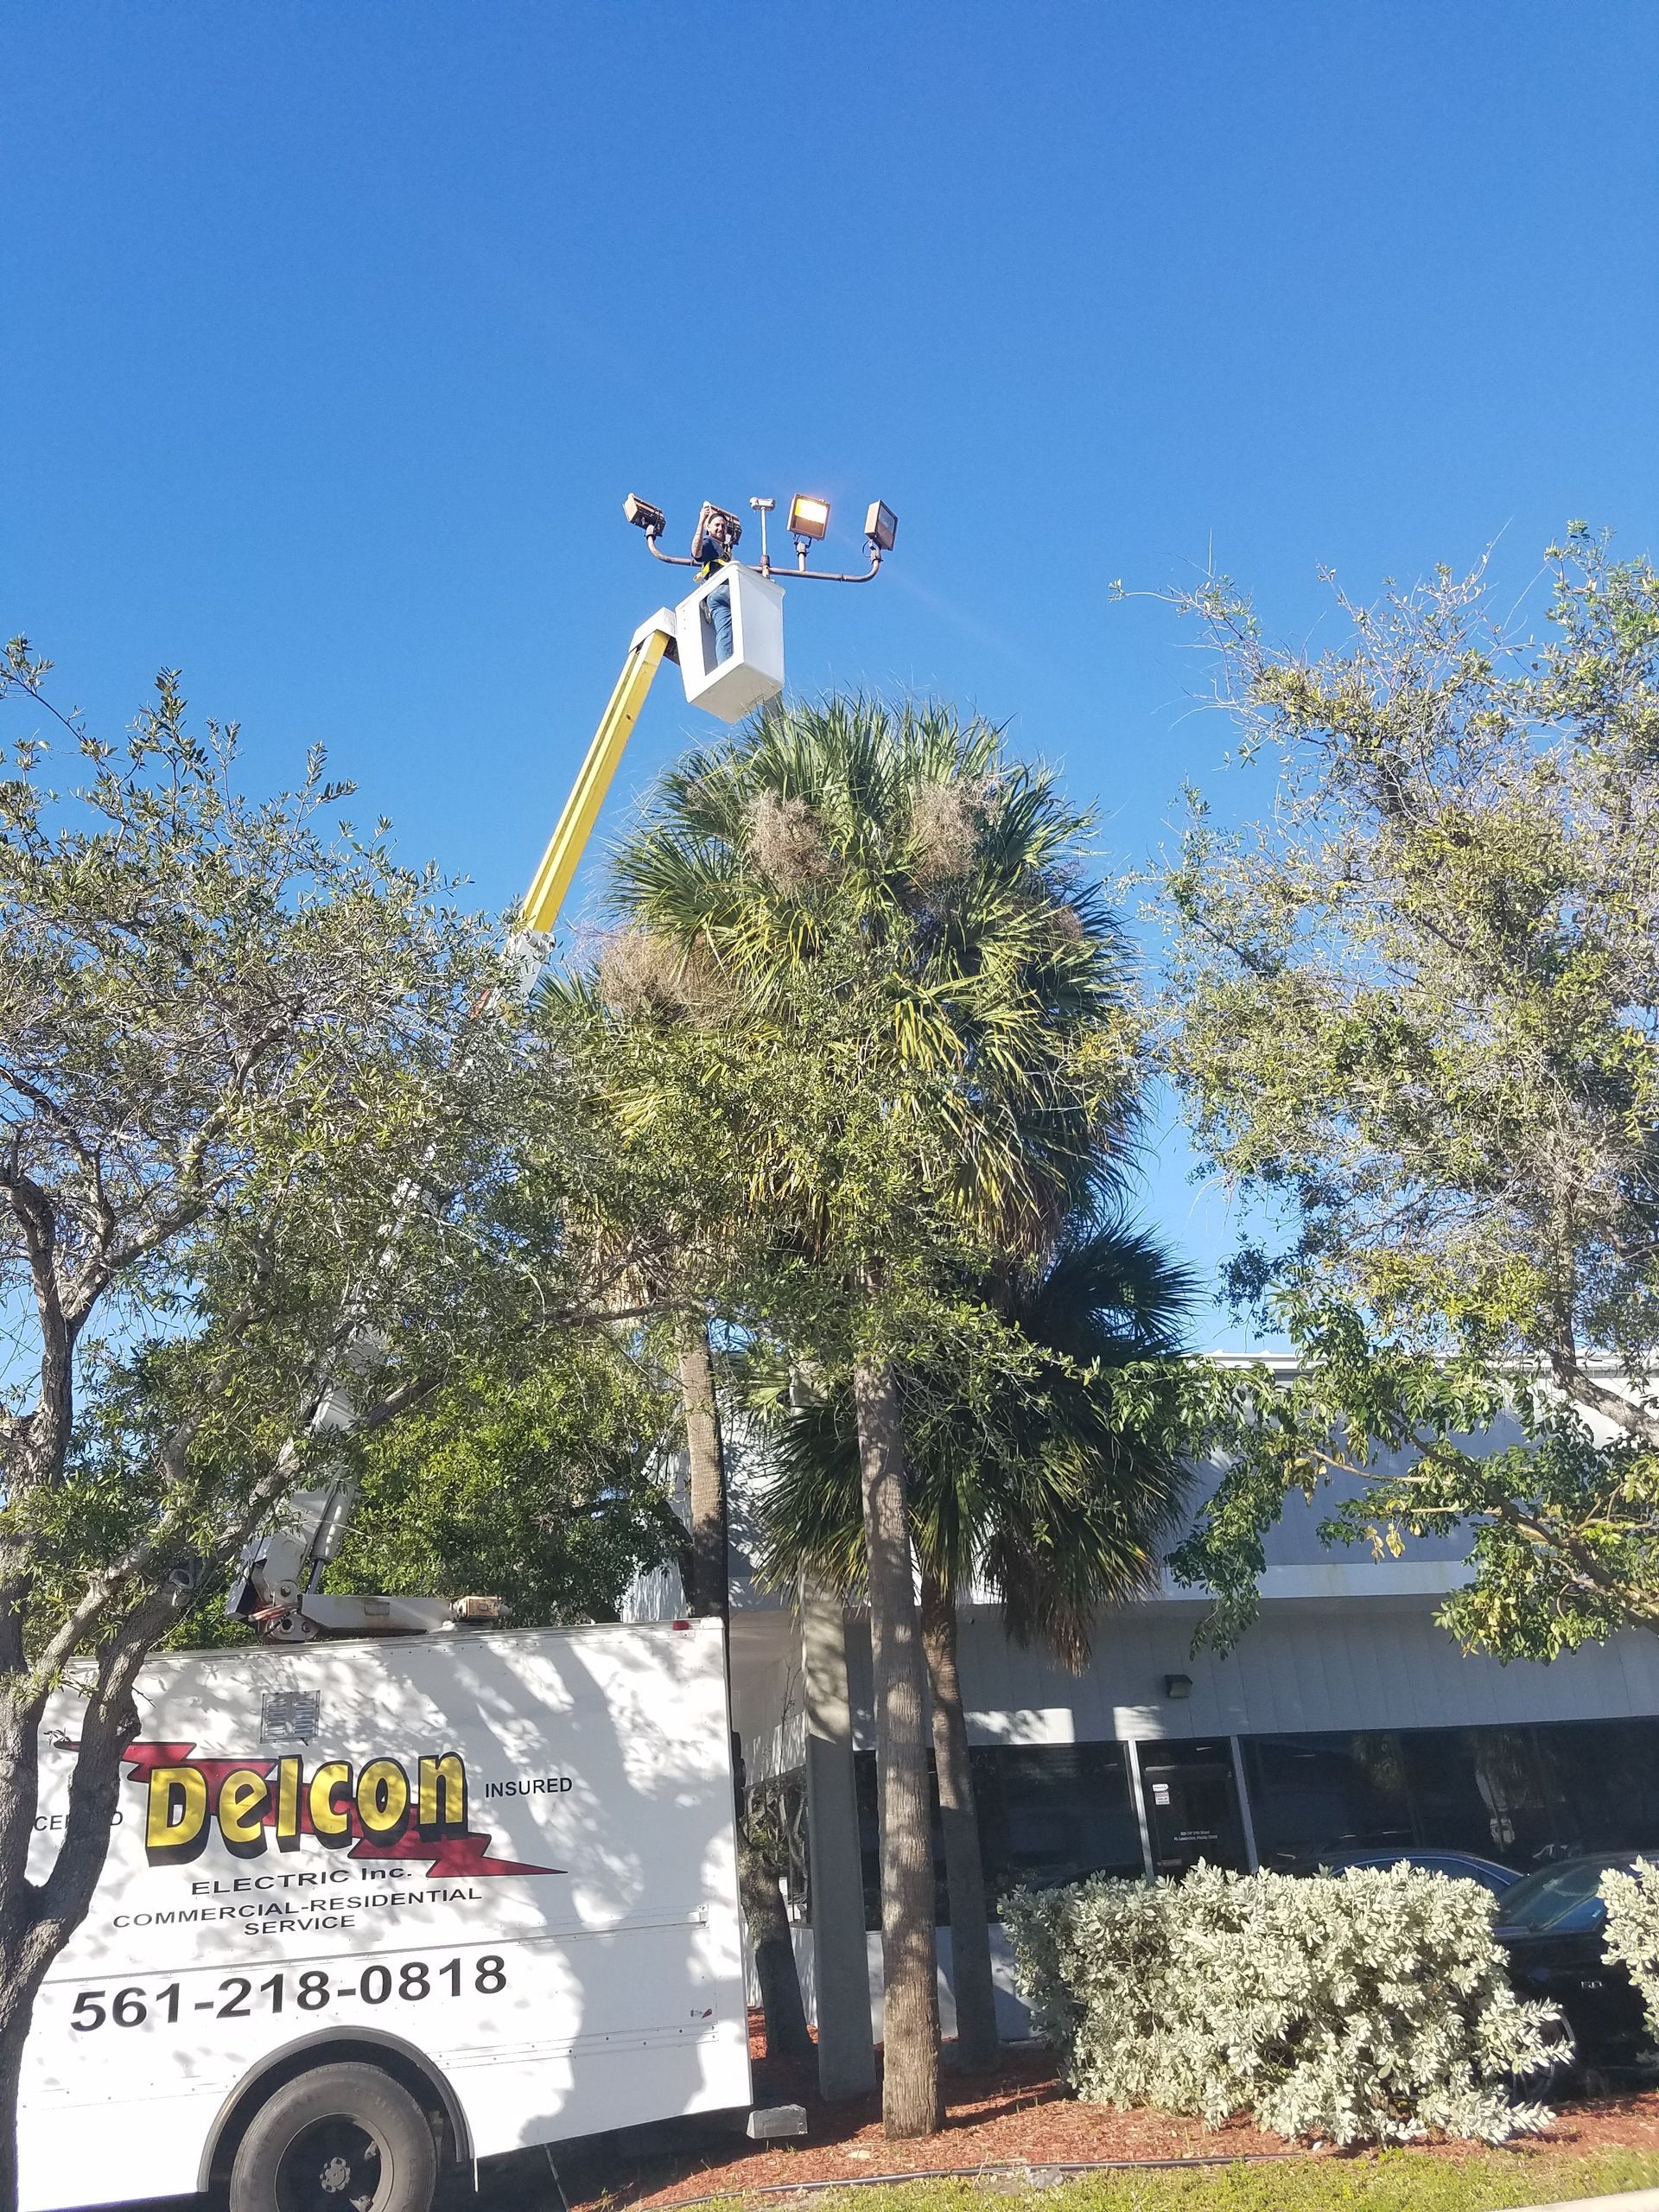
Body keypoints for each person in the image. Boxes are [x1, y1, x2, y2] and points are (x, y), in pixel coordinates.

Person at [691, 503, 741, 667]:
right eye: (717, 525)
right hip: (722, 591)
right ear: (709, 528)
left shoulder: (725, 549)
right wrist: (701, 521)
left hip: (718, 596)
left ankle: (726, 665)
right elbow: (696, 553)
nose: (720, 528)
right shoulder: (709, 543)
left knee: (725, 632)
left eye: (723, 526)